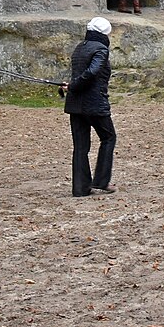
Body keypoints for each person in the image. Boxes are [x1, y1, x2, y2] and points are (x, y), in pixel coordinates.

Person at [60, 17, 116, 197]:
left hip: (75, 105)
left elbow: (80, 74)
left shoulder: (79, 48)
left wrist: (71, 86)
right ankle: (101, 180)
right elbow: (92, 72)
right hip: (94, 103)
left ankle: (81, 188)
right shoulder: (100, 49)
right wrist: (74, 85)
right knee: (108, 137)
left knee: (81, 146)